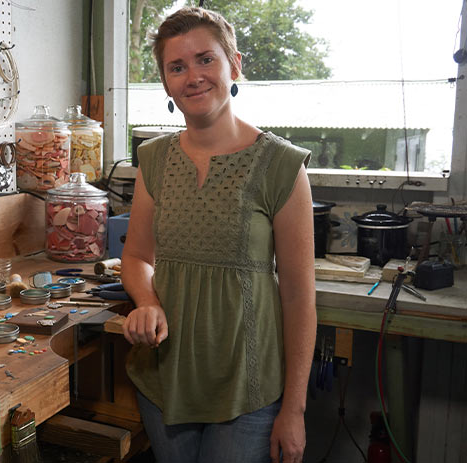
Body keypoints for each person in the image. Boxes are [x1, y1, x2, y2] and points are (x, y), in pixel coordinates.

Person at [121, 7, 317, 463]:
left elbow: (299, 297)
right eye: (177, 66)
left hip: (247, 386)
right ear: (166, 82)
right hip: (165, 377)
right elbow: (136, 257)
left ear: (235, 64)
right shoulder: (153, 159)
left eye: (205, 59)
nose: (193, 76)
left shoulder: (282, 166)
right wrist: (147, 301)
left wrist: (295, 408)